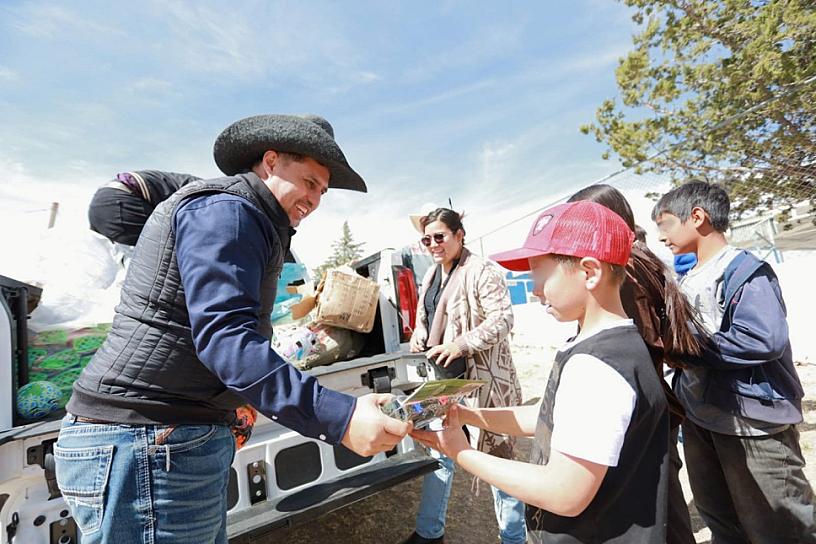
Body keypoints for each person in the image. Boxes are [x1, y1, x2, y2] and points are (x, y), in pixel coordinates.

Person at [54, 114, 410, 543]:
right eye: (310, 182)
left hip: (160, 438)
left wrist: (234, 403)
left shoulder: (247, 217)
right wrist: (342, 416)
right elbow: (226, 337)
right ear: (271, 161)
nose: (316, 199)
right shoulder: (229, 211)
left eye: (322, 190)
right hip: (148, 442)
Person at [413, 200, 670, 543]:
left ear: (590, 272)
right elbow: (547, 414)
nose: (533, 289)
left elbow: (565, 493)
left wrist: (462, 452)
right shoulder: (604, 344)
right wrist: (467, 414)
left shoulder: (596, 367)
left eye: (540, 274)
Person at [652, 180, 815, 543]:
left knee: (780, 524)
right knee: (722, 520)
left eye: (664, 225)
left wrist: (684, 349)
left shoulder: (742, 271)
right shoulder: (689, 277)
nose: (661, 237)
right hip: (701, 418)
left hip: (750, 425)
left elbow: (763, 338)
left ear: (697, 217)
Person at [568, 184, 706, 544]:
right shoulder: (635, 261)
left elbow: (630, 349)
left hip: (638, 413)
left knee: (659, 514)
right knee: (663, 506)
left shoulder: (625, 272)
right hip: (650, 407)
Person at [402, 207, 526, 544]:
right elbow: (427, 317)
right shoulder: (431, 275)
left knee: (500, 462)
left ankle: (514, 539)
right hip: (445, 382)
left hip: (486, 383)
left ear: (459, 235)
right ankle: (430, 533)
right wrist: (418, 332)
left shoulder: (482, 270)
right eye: (426, 239)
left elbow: (502, 320)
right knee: (439, 452)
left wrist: (461, 343)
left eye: (440, 236)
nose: (433, 244)